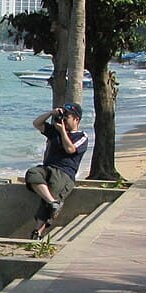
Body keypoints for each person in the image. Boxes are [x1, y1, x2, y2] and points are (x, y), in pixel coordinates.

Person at [24, 102, 88, 240]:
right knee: (32, 173)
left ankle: (38, 232)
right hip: (47, 168)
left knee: (52, 193)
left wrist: (63, 131)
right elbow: (37, 123)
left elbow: (70, 149)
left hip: (64, 173)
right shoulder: (54, 130)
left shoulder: (81, 136)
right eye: (62, 115)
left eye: (67, 117)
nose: (63, 119)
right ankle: (53, 203)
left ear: (76, 119)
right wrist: (50, 113)